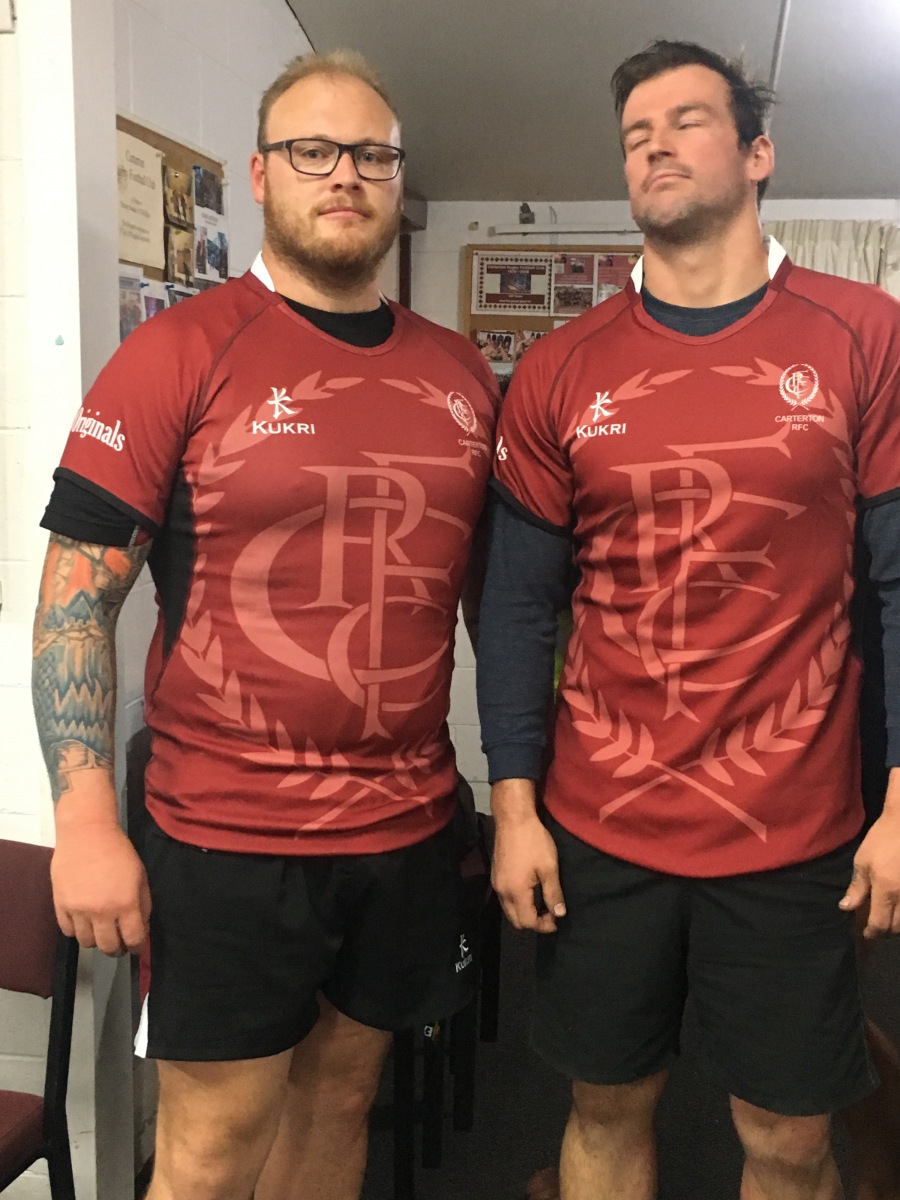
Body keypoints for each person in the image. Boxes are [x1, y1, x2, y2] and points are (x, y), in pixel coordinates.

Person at [32, 50, 498, 1200]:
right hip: (225, 839)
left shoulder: (461, 376)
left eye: (372, 155)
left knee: (339, 1106)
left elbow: (500, 607)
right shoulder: (177, 354)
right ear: (259, 174)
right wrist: (85, 821)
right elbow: (76, 601)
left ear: (398, 178)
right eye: (313, 151)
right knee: (208, 1152)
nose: (346, 175)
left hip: (404, 830)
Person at [477, 39, 900, 1200]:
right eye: (634, 134)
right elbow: (517, 605)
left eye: (686, 121)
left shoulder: (864, 335)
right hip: (601, 827)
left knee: (789, 1138)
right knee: (604, 1108)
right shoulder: (562, 366)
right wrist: (512, 808)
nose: (653, 144)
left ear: (759, 154)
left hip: (795, 830)